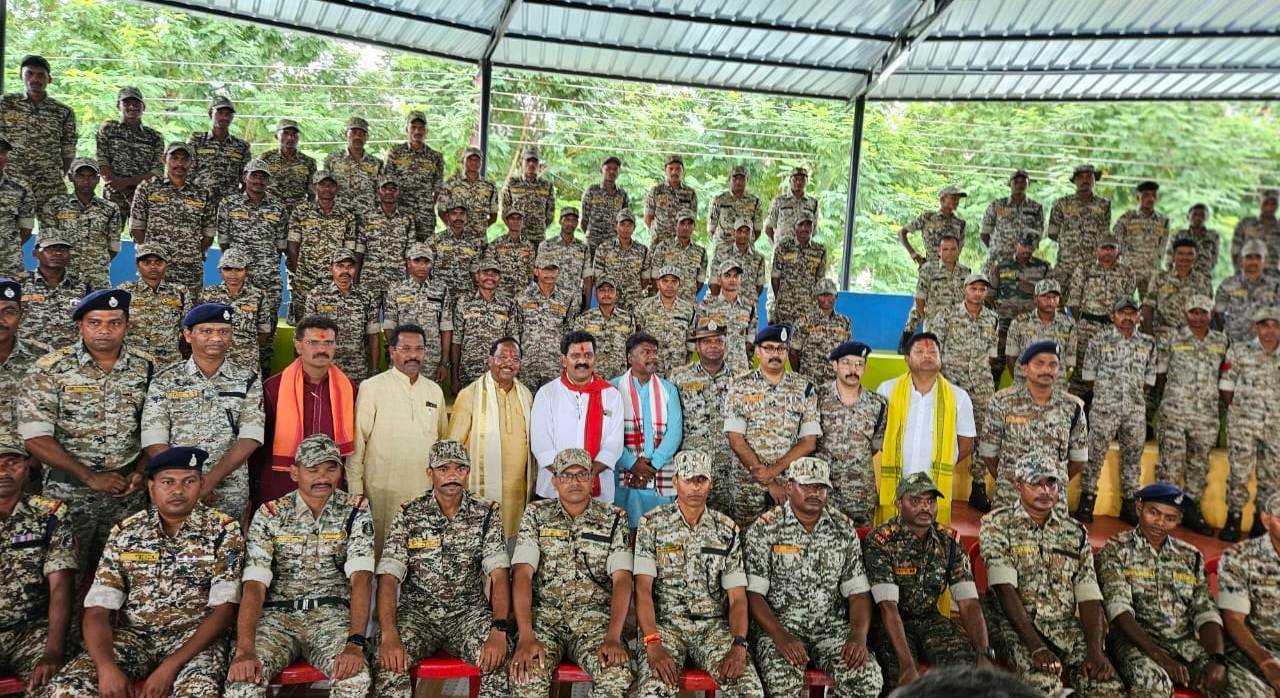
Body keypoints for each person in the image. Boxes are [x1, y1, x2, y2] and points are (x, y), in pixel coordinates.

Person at [49, 447, 243, 697]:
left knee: (198, 692)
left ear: (201, 484)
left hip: (195, 641)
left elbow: (225, 609)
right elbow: (98, 610)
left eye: (189, 481)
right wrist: (106, 668)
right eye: (167, 482)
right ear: (151, 487)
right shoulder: (126, 532)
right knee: (65, 688)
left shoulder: (224, 531)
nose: (178, 490)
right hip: (135, 638)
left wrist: (170, 666)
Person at [227, 434, 374, 698]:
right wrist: (245, 650)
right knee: (243, 684)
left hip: (331, 617)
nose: (323, 477)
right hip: (276, 618)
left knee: (355, 679)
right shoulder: (271, 514)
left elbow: (361, 578)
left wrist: (355, 643)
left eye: (331, 468)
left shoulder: (355, 510)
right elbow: (254, 585)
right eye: (313, 469)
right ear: (294, 472)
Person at [19, 288, 151, 574]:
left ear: (127, 325)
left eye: (114, 323)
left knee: (126, 573)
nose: (104, 330)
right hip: (68, 493)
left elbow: (155, 426)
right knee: (67, 574)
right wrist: (90, 477)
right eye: (95, 323)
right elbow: (35, 436)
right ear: (81, 325)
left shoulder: (146, 367)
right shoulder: (50, 368)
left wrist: (142, 470)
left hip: (127, 494)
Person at [371, 440, 511, 697]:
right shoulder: (409, 515)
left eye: (460, 468)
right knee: (388, 662)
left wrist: (498, 630)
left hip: (468, 615)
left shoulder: (486, 513)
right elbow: (388, 578)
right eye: (444, 469)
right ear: (430, 472)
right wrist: (389, 636)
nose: (452, 476)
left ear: (468, 472)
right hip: (417, 616)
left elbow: (499, 575)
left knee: (499, 658)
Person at [1097, 483, 1263, 697]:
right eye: (1154, 513)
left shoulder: (1190, 556)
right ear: (1139, 508)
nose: (1160, 523)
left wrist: (1217, 659)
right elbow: (1119, 611)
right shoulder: (1116, 550)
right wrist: (1161, 658)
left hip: (1184, 644)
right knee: (1155, 684)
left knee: (1250, 689)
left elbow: (1205, 612)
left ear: (1180, 520)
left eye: (1170, 518)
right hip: (1134, 644)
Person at [979, 453, 1124, 697]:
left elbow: (1088, 594)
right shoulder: (997, 524)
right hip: (1015, 625)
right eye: (1036, 483)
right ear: (1018, 485)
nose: (1045, 491)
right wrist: (1036, 647)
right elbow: (1004, 589)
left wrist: (1096, 650)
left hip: (1063, 625)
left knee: (1107, 687)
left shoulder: (1074, 531)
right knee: (1045, 687)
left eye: (1051, 483)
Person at [746, 456, 884, 697]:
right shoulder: (765, 528)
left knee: (868, 680)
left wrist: (858, 636)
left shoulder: (843, 529)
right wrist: (779, 635)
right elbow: (754, 594)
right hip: (782, 627)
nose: (814, 493)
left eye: (820, 487)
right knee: (781, 681)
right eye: (806, 485)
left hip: (831, 628)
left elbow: (858, 592)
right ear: (789, 487)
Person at [633, 450, 763, 697]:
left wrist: (739, 644)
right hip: (666, 627)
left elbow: (737, 597)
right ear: (675, 482)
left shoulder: (726, 530)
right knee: (653, 690)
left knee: (749, 689)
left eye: (701, 479)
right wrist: (652, 641)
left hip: (712, 628)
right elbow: (642, 589)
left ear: (710, 484)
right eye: (688, 479)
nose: (695, 486)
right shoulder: (653, 524)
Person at [509, 448, 634, 697]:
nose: (575, 481)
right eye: (566, 475)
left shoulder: (614, 518)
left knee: (616, 676)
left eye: (582, 474)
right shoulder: (536, 515)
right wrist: (525, 636)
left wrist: (613, 637)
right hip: (544, 621)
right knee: (526, 677)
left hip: (595, 622)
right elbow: (522, 574)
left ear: (592, 480)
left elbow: (622, 579)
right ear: (555, 481)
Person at [865, 472, 991, 690]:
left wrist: (984, 654)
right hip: (890, 624)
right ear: (898, 504)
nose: (925, 507)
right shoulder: (881, 541)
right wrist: (907, 665)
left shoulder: (949, 542)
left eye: (930, 501)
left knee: (968, 674)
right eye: (915, 501)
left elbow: (969, 603)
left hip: (930, 620)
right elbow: (887, 606)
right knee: (898, 680)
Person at [141, 302, 264, 522]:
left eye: (224, 332)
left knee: (226, 542)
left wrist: (210, 480)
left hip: (227, 489)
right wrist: (187, 481)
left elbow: (251, 436)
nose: (216, 338)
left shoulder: (248, 379)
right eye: (207, 331)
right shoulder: (165, 380)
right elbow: (153, 437)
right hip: (173, 490)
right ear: (188, 335)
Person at [348, 323, 449, 550]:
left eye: (419, 349)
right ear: (392, 352)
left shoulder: (434, 391)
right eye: (406, 349)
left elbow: (441, 445)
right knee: (383, 555)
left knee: (421, 554)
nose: (413, 355)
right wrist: (356, 491)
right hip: (381, 491)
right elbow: (358, 443)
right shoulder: (372, 387)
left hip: (423, 491)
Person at [249, 314, 356, 509]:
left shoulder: (349, 389)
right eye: (313, 343)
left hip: (329, 484)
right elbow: (257, 447)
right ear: (298, 346)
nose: (322, 349)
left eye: (328, 343)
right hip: (283, 482)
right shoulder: (274, 388)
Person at [0, 440, 77, 694]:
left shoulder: (50, 515)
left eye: (12, 463)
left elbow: (60, 585)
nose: (3, 472)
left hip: (30, 630)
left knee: (62, 686)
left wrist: (52, 652)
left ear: (27, 468)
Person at [724, 324, 820, 526]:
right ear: (757, 351)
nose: (775, 354)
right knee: (745, 536)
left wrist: (772, 473)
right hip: (747, 487)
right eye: (769, 348)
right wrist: (769, 481)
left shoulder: (805, 388)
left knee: (787, 539)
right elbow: (736, 440)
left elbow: (809, 442)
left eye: (781, 348)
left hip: (789, 488)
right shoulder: (740, 386)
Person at [875, 332, 975, 524]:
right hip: (897, 483)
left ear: (941, 358)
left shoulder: (958, 397)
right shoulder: (887, 390)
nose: (927, 356)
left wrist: (944, 461)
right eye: (919, 351)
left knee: (932, 538)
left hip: (934, 488)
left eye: (933, 352)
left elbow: (966, 444)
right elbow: (878, 436)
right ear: (907, 359)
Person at [978, 340, 1088, 512]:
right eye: (1039, 363)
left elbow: (1079, 460)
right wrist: (1011, 482)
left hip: (1052, 504)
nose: (1046, 370)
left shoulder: (1072, 407)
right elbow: (988, 454)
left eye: (1053, 365)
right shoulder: (1002, 402)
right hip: (1010, 500)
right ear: (1025, 368)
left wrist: (1052, 482)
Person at [1078, 296, 1157, 524]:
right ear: (1113, 316)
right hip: (1105, 408)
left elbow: (1149, 380)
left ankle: (1129, 503)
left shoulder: (1148, 344)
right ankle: (1087, 499)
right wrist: (1107, 394)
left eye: (1132, 313)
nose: (1127, 317)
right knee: (1094, 455)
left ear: (1138, 316)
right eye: (1122, 313)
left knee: (1132, 458)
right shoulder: (1099, 340)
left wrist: (1131, 394)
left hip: (1135, 410)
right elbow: (1089, 377)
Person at [1154, 294, 1227, 535]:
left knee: (1198, 465)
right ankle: (1165, 510)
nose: (1198, 317)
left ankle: (1190, 510)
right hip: (1174, 413)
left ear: (1211, 314)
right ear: (1185, 314)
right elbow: (1160, 375)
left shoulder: (1221, 341)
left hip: (1206, 415)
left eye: (1203, 312)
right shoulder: (1171, 338)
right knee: (1170, 464)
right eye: (1193, 312)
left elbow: (1226, 377)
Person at [448, 337, 534, 539]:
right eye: (502, 357)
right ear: (490, 360)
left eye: (515, 358)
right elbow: (453, 447)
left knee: (513, 540)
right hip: (481, 491)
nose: (508, 363)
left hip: (517, 492)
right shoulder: (470, 395)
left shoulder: (526, 395)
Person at [530, 331, 625, 504]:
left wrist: (587, 476)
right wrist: (568, 477)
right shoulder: (547, 394)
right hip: (553, 488)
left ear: (595, 358)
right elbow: (541, 443)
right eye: (575, 356)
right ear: (563, 360)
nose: (582, 361)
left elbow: (614, 444)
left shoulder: (611, 395)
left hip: (598, 488)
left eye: (588, 355)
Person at [216, 157, 289, 362]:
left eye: (263, 177)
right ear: (244, 177)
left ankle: (263, 372)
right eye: (254, 175)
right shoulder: (229, 204)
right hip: (237, 279)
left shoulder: (278, 207)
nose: (258, 180)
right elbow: (224, 242)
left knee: (267, 329)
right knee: (233, 325)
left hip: (268, 279)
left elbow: (281, 245)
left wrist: (266, 263)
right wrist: (236, 267)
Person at [1218, 306, 1280, 542]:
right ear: (1256, 327)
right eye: (1265, 325)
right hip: (1243, 425)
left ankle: (1261, 523)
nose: (1270, 330)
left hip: (1276, 428)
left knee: (1272, 477)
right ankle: (1233, 518)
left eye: (1275, 325)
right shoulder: (1239, 351)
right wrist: (1239, 413)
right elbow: (1226, 386)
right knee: (1239, 473)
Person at [611, 332, 683, 525]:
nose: (652, 357)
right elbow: (607, 435)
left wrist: (651, 466)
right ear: (630, 358)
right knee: (623, 528)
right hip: (624, 472)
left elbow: (675, 433)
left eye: (655, 352)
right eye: (645, 352)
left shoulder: (668, 390)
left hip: (659, 472)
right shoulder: (613, 389)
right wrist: (632, 463)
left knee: (659, 528)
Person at [815, 340, 887, 527]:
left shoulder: (878, 404)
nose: (853, 370)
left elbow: (875, 445)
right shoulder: (817, 397)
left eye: (859, 364)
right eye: (846, 363)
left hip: (860, 493)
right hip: (823, 490)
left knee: (862, 539)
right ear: (835, 365)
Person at [129, 142, 216, 296]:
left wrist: (195, 253)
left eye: (184, 159)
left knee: (190, 308)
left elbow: (209, 232)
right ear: (164, 159)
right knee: (152, 306)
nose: (179, 164)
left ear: (192, 162)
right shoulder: (148, 187)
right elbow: (136, 226)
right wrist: (149, 254)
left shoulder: (202, 193)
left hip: (190, 269)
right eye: (174, 158)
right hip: (155, 267)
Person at [0, 55, 75, 231]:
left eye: (40, 74)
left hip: (49, 183)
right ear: (21, 76)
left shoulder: (63, 111)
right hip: (12, 180)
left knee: (59, 231)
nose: (35, 79)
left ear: (49, 78)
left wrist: (56, 173)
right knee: (6, 231)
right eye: (29, 73)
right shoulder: (5, 104)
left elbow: (68, 151)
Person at [669, 319, 735, 513]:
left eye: (718, 341)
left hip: (728, 467)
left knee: (726, 521)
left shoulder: (739, 379)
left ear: (725, 344)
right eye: (707, 341)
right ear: (697, 346)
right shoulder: (678, 377)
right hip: (691, 469)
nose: (713, 346)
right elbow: (670, 421)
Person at [927, 272, 998, 452]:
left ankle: (978, 470)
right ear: (964, 290)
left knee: (984, 429)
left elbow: (991, 353)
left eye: (982, 289)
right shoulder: (947, 315)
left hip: (981, 385)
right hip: (952, 381)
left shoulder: (992, 318)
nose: (978, 293)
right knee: (947, 427)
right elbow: (934, 349)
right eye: (973, 288)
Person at [1217, 492, 1280, 694]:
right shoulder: (1240, 557)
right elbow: (1233, 620)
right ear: (1266, 520)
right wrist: (1267, 663)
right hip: (1253, 651)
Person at [1066, 235, 1138, 397]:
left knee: (1109, 370)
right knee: (1081, 371)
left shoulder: (1127, 272)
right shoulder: (1084, 269)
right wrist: (1077, 327)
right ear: (1096, 250)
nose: (1108, 252)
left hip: (1113, 329)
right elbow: (1074, 300)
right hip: (1086, 327)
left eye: (1112, 248)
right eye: (1104, 248)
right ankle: (1076, 408)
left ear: (1118, 251)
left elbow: (1128, 304)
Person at [284, 170, 358, 325]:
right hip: (305, 278)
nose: (327, 189)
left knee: (332, 323)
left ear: (337, 188)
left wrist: (342, 274)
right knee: (303, 324)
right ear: (313, 187)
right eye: (322, 185)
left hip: (333, 279)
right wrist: (299, 271)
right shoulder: (301, 211)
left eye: (331, 185)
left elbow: (349, 251)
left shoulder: (347, 215)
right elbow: (293, 245)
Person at [41, 156, 120, 289]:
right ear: (71, 177)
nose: (86, 181)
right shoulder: (55, 206)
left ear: (98, 179)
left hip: (97, 279)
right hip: (63, 277)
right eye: (80, 176)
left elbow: (113, 248)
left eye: (91, 176)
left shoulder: (110, 209)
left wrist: (94, 262)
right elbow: (47, 244)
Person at [94, 85, 163, 235]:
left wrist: (128, 185)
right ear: (118, 106)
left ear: (143, 107)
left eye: (136, 103)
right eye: (126, 103)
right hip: (113, 196)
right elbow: (102, 163)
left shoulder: (154, 137)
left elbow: (157, 172)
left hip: (144, 197)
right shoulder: (108, 129)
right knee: (106, 239)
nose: (132, 107)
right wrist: (126, 192)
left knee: (147, 242)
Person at [303, 249, 380, 383]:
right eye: (340, 266)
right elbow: (308, 335)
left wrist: (374, 370)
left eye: (350, 267)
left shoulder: (366, 297)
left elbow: (373, 336)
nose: (345, 271)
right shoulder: (317, 295)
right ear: (330, 268)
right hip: (325, 367)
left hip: (357, 370)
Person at [382, 242, 452, 384]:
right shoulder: (396, 289)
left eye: (426, 262)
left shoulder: (441, 289)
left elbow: (446, 328)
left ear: (432, 264)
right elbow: (389, 325)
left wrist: (444, 362)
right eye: (417, 261)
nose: (422, 266)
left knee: (428, 396)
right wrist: (394, 352)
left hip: (431, 359)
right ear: (408, 263)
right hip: (403, 358)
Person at [450, 256, 519, 393]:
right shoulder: (464, 302)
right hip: (468, 374)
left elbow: (513, 342)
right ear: (477, 275)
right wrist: (454, 376)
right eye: (486, 273)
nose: (490, 277)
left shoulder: (508, 304)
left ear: (499, 278)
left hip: (498, 372)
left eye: (494, 274)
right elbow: (456, 341)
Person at [199, 247, 271, 375]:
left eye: (238, 269)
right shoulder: (208, 294)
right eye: (227, 269)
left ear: (246, 270)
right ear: (220, 271)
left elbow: (264, 330)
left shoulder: (258, 295)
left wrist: (246, 348)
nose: (233, 274)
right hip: (215, 357)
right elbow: (199, 327)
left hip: (247, 361)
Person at [117, 242, 190, 367]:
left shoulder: (179, 292)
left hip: (168, 364)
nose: (153, 266)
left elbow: (187, 328)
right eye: (147, 262)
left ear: (166, 265)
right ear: (137, 265)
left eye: (158, 262)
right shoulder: (124, 291)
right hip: (132, 362)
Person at [990, 231, 1051, 370]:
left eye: (1031, 247)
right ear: (1015, 244)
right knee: (998, 360)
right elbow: (990, 293)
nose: (1027, 250)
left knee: (1029, 359)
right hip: (1005, 322)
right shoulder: (1001, 266)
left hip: (1030, 323)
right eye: (1024, 246)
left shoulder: (1043, 267)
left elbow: (1049, 295)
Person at [517, 251, 577, 389]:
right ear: (536, 270)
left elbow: (570, 333)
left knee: (554, 401)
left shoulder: (567, 299)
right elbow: (515, 331)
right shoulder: (522, 297)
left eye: (553, 269)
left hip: (554, 366)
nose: (550, 274)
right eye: (545, 269)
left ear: (558, 272)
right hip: (527, 366)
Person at [0, 280, 50, 445]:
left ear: (21, 315)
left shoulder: (44, 357)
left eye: (8, 312)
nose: (0, 320)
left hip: (35, 453)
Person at [1047, 164, 1112, 290]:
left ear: (1094, 180)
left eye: (1089, 176)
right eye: (1080, 177)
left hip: (1091, 266)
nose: (1085, 180)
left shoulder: (1104, 205)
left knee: (1089, 300)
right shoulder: (1061, 204)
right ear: (1075, 180)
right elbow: (1052, 232)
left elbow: (1104, 235)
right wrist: (1070, 242)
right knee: (1060, 299)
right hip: (1065, 266)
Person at [18, 236, 89, 350]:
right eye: (50, 249)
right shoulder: (19, 285)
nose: (57, 253)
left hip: (70, 356)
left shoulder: (83, 287)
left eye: (63, 249)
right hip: (28, 354)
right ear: (35, 253)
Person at [358, 177, 417, 307]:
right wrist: (355, 281)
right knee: (368, 317)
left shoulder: (407, 220)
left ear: (399, 192)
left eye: (393, 189)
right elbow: (359, 252)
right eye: (384, 188)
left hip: (396, 280)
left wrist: (409, 283)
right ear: (378, 192)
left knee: (395, 317)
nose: (389, 192)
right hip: (370, 279)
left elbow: (410, 256)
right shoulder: (367, 217)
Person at [382, 110, 444, 234]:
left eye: (421, 128)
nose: (417, 131)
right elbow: (387, 183)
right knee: (399, 244)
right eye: (413, 127)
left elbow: (438, 188)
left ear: (426, 131)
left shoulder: (435, 157)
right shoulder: (395, 153)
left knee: (425, 245)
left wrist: (427, 205)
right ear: (407, 129)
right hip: (401, 212)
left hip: (425, 215)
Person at [901, 234, 969, 344]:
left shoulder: (965, 271)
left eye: (953, 249)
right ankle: (904, 341)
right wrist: (925, 318)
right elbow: (920, 298)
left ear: (958, 250)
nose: (949, 253)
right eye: (945, 249)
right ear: (939, 251)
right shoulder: (928, 269)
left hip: (957, 324)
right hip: (934, 324)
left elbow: (969, 298)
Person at [1004, 278, 1077, 382]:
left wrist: (1056, 380)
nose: (1050, 301)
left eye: (1054, 297)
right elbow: (1011, 358)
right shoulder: (1019, 323)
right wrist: (1021, 381)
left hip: (1055, 385)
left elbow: (1070, 363)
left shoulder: (1069, 324)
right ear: (1035, 298)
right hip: (1025, 384)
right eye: (1045, 297)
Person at [187, 95, 251, 209]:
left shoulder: (241, 146)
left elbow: (247, 179)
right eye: (220, 112)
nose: (224, 117)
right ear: (210, 114)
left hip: (229, 206)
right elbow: (186, 173)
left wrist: (238, 199)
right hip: (200, 204)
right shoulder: (197, 140)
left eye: (228, 114)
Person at [696, 260, 757, 376]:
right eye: (727, 276)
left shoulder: (749, 306)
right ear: (719, 279)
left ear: (740, 279)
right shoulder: (707, 305)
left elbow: (751, 338)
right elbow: (699, 339)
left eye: (736, 276)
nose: (732, 280)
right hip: (714, 368)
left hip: (740, 368)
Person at [1213, 239, 1280, 344]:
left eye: (1258, 257)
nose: (1253, 262)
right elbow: (1218, 315)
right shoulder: (1227, 285)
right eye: (1248, 257)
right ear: (1241, 260)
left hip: (1266, 345)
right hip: (1235, 344)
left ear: (1265, 260)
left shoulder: (1275, 286)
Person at [1142, 238, 1210, 340]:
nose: (1185, 257)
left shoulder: (1203, 282)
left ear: (1196, 256)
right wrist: (1149, 335)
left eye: (1190, 254)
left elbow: (1207, 311)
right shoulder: (1159, 278)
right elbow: (1148, 307)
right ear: (1173, 256)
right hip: (1162, 334)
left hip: (1191, 335)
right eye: (1180, 253)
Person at [980, 168, 1044, 277]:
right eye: (1016, 182)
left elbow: (1038, 234)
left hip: (1022, 261)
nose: (1019, 185)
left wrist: (1025, 251)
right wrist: (996, 248)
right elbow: (984, 233)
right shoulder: (997, 205)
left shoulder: (1036, 207)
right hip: (998, 258)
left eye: (1023, 182)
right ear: (1010, 184)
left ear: (1028, 185)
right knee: (989, 284)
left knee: (1018, 286)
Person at [633, 265, 695, 375]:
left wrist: (687, 368)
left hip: (678, 370)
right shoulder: (643, 307)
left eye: (674, 281)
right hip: (650, 369)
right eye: (665, 281)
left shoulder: (688, 309)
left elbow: (691, 343)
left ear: (679, 284)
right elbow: (636, 339)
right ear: (657, 283)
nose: (669, 285)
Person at [572, 277, 636, 381]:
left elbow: (632, 351)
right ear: (595, 294)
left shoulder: (627, 319)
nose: (606, 294)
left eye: (610, 290)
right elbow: (577, 349)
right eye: (602, 290)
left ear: (616, 294)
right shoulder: (584, 319)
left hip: (619, 378)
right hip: (591, 378)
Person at [1113, 180, 1170, 296]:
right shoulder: (1127, 217)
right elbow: (1117, 240)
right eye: (1146, 195)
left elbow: (1163, 245)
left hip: (1151, 271)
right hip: (1129, 269)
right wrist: (1126, 259)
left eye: (1154, 195)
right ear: (1138, 197)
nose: (1150, 199)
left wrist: (1156, 261)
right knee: (1124, 301)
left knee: (1150, 303)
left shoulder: (1163, 220)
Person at [769, 214, 826, 326]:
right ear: (794, 227)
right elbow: (775, 278)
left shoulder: (820, 250)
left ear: (813, 227)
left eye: (808, 224)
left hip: (808, 310)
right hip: (785, 309)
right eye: (801, 224)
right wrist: (781, 299)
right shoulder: (783, 247)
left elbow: (819, 281)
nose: (805, 228)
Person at [791, 278, 852, 384]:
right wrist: (800, 376)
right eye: (822, 295)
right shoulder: (804, 321)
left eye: (830, 295)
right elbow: (793, 352)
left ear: (836, 296)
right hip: (809, 381)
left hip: (834, 382)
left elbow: (847, 353)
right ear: (816, 297)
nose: (826, 299)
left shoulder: (845, 322)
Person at [643, 208, 706, 305]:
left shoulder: (701, 251)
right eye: (682, 223)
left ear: (694, 227)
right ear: (676, 225)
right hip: (665, 303)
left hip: (688, 303)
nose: (686, 227)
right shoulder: (663, 247)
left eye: (689, 224)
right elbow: (655, 276)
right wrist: (663, 297)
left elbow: (700, 281)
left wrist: (688, 294)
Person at [324, 116, 382, 219]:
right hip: (339, 215)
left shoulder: (376, 163)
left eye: (361, 134)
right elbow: (324, 189)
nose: (357, 137)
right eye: (353, 132)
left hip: (367, 216)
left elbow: (381, 192)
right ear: (346, 134)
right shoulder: (333, 159)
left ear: (367, 137)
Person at [591, 209, 648, 310]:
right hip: (610, 302)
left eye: (629, 225)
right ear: (615, 226)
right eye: (622, 224)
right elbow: (597, 278)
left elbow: (645, 279)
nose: (626, 228)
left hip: (634, 302)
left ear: (634, 227)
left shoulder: (642, 250)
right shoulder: (604, 248)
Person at [898, 185, 966, 267]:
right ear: (942, 200)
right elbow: (901, 233)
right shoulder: (927, 218)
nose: (956, 201)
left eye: (958, 199)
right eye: (953, 198)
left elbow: (959, 248)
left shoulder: (960, 223)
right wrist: (913, 253)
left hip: (951, 269)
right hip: (930, 267)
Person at [440, 146, 497, 241]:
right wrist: (452, 229)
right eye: (470, 159)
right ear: (463, 161)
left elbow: (494, 215)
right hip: (456, 239)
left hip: (479, 240)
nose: (474, 162)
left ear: (481, 162)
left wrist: (481, 228)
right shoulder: (451, 183)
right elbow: (441, 210)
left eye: (477, 160)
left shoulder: (489, 186)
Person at [540, 206, 592, 310]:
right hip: (551, 303)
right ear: (560, 221)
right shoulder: (547, 245)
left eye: (574, 220)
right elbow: (539, 276)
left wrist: (587, 307)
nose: (570, 224)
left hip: (574, 304)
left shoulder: (583, 248)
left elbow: (587, 280)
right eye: (567, 219)